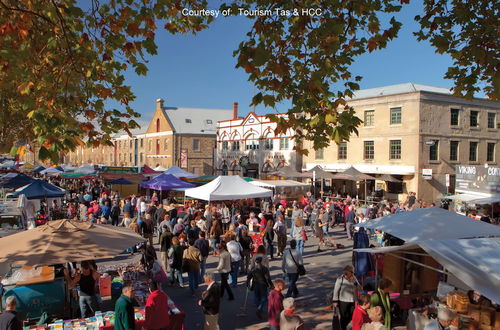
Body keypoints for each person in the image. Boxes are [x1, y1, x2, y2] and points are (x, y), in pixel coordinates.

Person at [332, 265, 358, 330]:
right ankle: (343, 328)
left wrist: (356, 284)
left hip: (352, 300)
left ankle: (347, 327)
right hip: (343, 301)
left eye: (353, 272)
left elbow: (357, 288)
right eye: (351, 272)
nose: (352, 273)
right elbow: (336, 290)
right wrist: (335, 301)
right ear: (347, 272)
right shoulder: (340, 279)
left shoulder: (353, 278)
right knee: (344, 317)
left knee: (352, 315)